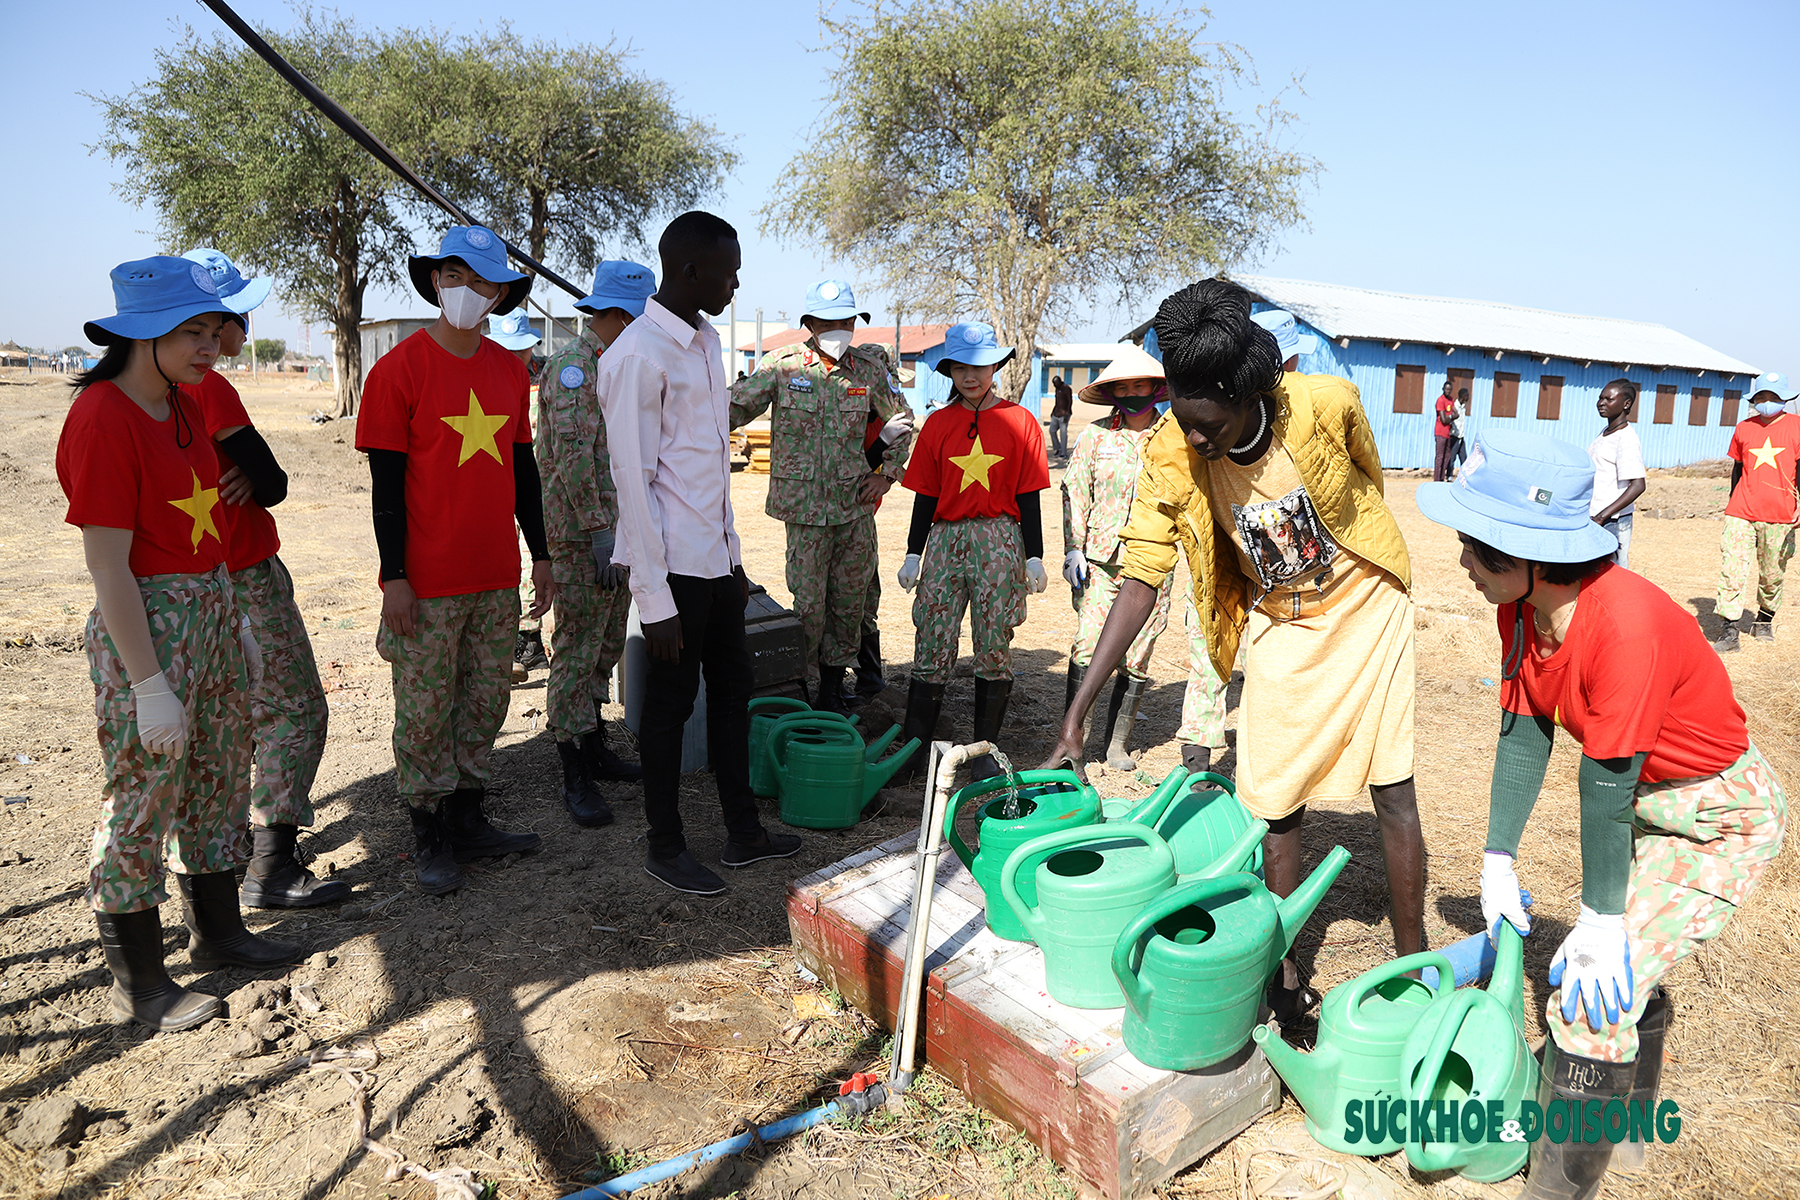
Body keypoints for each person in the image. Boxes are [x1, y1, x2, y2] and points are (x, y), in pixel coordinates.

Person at [1416, 429, 1786, 1200]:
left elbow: (1606, 787)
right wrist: (1497, 857)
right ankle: (1628, 1136)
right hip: (1645, 802)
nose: (1465, 565)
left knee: (1589, 999)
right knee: (1615, 977)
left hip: (1716, 819)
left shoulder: (1626, 625)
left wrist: (1601, 917)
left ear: (1537, 556)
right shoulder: (1521, 612)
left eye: (1480, 551)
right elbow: (1524, 733)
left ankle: (1560, 1187)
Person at [1041, 280, 1425, 1021]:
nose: (1194, 437)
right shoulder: (1171, 455)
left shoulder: (1322, 405)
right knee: (1274, 799)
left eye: (1207, 423)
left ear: (1248, 395)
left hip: (1367, 604)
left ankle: (1411, 968)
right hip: (1282, 619)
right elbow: (1139, 580)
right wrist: (1075, 716)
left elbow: (1365, 481)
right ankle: (1281, 983)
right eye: (1183, 420)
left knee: (1393, 787)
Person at [58, 257, 303, 1032]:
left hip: (211, 610)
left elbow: (210, 523)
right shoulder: (102, 416)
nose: (212, 344)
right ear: (143, 334)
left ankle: (220, 931)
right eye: (191, 331)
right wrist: (146, 683)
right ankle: (141, 981)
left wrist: (232, 624)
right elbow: (108, 566)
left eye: (210, 329)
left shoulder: (185, 404)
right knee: (141, 797)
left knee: (219, 776)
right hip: (151, 625)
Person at [596, 211, 802, 896]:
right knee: (667, 710)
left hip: (716, 567)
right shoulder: (634, 357)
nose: (735, 283)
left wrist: (737, 563)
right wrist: (652, 600)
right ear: (690, 271)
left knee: (735, 694)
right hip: (672, 572)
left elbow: (709, 466)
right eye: (728, 271)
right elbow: (635, 482)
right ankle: (665, 845)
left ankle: (743, 832)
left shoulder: (706, 343)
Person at [355, 225, 548, 895]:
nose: (466, 289)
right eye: (453, 275)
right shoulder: (397, 370)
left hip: (496, 576)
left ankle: (469, 819)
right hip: (426, 584)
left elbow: (524, 471)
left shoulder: (508, 370)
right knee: (425, 710)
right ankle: (429, 832)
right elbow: (385, 488)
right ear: (434, 281)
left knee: (486, 701)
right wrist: (395, 578)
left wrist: (543, 555)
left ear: (500, 293)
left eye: (482, 280)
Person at [179, 248, 344, 908]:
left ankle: (236, 850)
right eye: (237, 315)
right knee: (294, 709)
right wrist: (256, 478)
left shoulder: (152, 389)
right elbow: (271, 482)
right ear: (218, 323)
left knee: (231, 719)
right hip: (244, 573)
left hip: (194, 579)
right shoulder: (211, 386)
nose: (241, 329)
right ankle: (272, 864)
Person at [728, 278, 914, 714]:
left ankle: (834, 691)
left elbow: (903, 419)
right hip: (806, 513)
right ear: (809, 323)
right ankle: (805, 690)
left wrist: (887, 474)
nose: (839, 328)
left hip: (854, 509)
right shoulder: (783, 366)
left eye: (846, 320)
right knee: (809, 606)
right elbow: (731, 407)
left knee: (849, 606)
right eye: (828, 321)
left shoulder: (868, 368)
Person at [897, 321, 1050, 781]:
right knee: (933, 633)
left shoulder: (1021, 422)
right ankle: (915, 747)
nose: (971, 376)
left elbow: (1029, 493)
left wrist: (1034, 554)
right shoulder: (938, 425)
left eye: (981, 366)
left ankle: (985, 749)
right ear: (950, 370)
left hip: (999, 539)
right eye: (962, 366)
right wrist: (912, 552)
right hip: (945, 539)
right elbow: (925, 493)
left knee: (994, 638)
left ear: (996, 368)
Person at [535, 262, 653, 828]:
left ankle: (594, 741)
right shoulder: (572, 369)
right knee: (578, 647)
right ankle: (573, 771)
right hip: (581, 535)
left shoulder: (622, 362)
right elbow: (575, 458)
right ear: (612, 315)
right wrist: (599, 530)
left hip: (621, 531)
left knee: (607, 641)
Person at [1061, 345, 1175, 770]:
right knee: (1088, 646)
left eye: (1139, 385)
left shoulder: (1173, 437)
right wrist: (1073, 547)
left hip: (1151, 562)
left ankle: (1116, 744)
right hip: (1099, 561)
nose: (1131, 393)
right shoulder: (1095, 435)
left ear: (1155, 388)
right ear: (1111, 393)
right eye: (1122, 387)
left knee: (1138, 651)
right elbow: (1075, 491)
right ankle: (1074, 736)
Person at [1711, 370, 1800, 651]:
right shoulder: (1744, 428)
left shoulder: (1797, 427)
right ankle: (1730, 631)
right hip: (1741, 511)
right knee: (1732, 569)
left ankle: (1764, 620)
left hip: (1781, 514)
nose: (1766, 401)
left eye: (1773, 397)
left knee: (1772, 574)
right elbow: (1737, 469)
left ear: (1785, 399)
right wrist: (1732, 500)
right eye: (1761, 396)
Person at [487, 309, 551, 681]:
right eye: (507, 351)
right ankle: (511, 639)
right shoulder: (482, 380)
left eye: (521, 350)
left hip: (534, 489)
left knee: (533, 560)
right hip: (496, 487)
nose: (517, 358)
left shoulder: (548, 380)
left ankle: (528, 639)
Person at [1587, 378, 1646, 570]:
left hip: (1613, 521)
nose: (1601, 403)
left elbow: (1638, 485)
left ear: (1626, 404)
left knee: (1614, 575)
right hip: (1598, 518)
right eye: (1600, 398)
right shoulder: (1606, 432)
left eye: (1608, 399)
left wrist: (1603, 516)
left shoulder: (1625, 438)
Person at [1432, 379, 1457, 482]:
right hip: (1440, 432)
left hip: (1448, 432)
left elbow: (1457, 413)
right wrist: (1451, 416)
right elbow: (1443, 419)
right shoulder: (1440, 400)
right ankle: (1437, 479)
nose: (1448, 391)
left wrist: (1449, 417)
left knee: (1447, 455)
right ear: (1443, 389)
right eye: (1446, 389)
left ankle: (1442, 477)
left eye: (1449, 390)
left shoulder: (1451, 400)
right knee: (1440, 456)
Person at [1047, 374, 1074, 463]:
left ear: (1059, 381)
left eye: (1056, 383)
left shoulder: (1066, 388)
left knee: (1063, 433)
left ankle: (1064, 453)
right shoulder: (1057, 389)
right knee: (1052, 430)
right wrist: (1053, 411)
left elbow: (1070, 401)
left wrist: (1066, 414)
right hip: (1056, 413)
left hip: (1064, 415)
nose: (1055, 385)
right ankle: (1057, 448)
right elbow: (1057, 401)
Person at [1451, 387, 1471, 475]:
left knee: (1464, 458)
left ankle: (1464, 476)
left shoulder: (1463, 407)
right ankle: (1449, 476)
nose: (1469, 398)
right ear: (1463, 396)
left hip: (1461, 437)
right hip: (1454, 436)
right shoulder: (1454, 406)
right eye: (1467, 396)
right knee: (1452, 458)